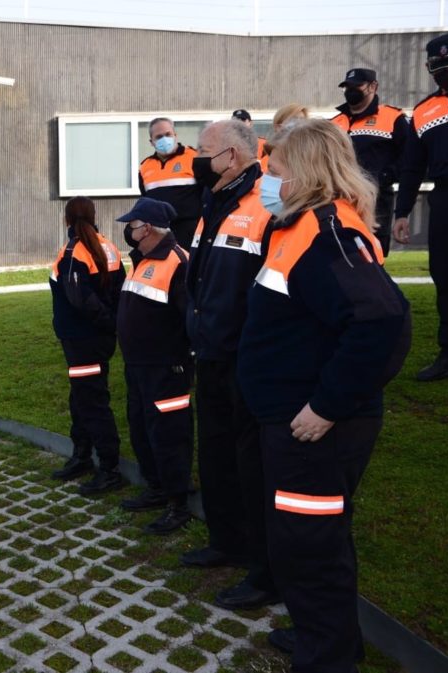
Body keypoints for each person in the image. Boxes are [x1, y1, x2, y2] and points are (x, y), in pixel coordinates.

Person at [238, 118, 410, 672]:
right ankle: (324, 637)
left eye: (276, 170)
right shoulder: (298, 227)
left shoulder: (328, 233)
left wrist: (326, 407)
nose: (267, 179)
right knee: (310, 541)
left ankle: (328, 659)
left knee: (309, 546)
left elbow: (381, 326)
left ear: (305, 174)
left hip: (314, 429)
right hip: (290, 422)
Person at [182, 120, 277, 610]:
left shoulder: (266, 204)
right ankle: (227, 541)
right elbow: (199, 275)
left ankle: (264, 571)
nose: (195, 159)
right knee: (215, 454)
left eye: (203, 150)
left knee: (252, 467)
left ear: (233, 156)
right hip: (210, 352)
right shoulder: (213, 201)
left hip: (247, 358)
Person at [115, 198, 193, 535]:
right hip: (139, 366)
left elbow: (189, 318)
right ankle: (156, 487)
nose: (128, 230)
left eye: (131, 225)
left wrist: (178, 361)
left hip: (166, 369)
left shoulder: (178, 261)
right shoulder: (142, 259)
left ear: (146, 228)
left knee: (169, 434)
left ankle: (178, 502)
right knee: (142, 428)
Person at [395, 31, 448, 381]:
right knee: (447, 276)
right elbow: (411, 167)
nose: (444, 74)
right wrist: (401, 212)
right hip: (446, 197)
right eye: (437, 68)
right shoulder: (423, 111)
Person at [48, 196, 127, 496]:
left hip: (83, 341)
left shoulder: (72, 253)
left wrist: (107, 323)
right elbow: (120, 291)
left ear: (67, 219)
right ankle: (82, 456)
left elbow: (81, 301)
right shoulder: (109, 246)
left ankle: (109, 468)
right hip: (99, 339)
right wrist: (113, 325)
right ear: (94, 216)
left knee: (92, 402)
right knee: (81, 398)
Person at [331, 68, 409, 256]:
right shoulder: (334, 123)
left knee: (373, 258)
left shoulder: (392, 118)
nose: (351, 90)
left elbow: (409, 157)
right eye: (347, 87)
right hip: (340, 201)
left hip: (376, 201)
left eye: (357, 85)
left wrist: (387, 175)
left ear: (373, 86)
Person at [138, 118, 203, 248]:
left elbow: (208, 194)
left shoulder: (194, 157)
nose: (164, 139)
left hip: (191, 233)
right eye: (159, 137)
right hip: (159, 235)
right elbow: (146, 200)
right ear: (151, 142)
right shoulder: (145, 167)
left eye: (168, 134)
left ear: (175, 135)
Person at [261, 104, 309, 172]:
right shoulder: (270, 161)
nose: (300, 125)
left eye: (303, 120)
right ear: (278, 127)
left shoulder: (311, 157)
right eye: (294, 120)